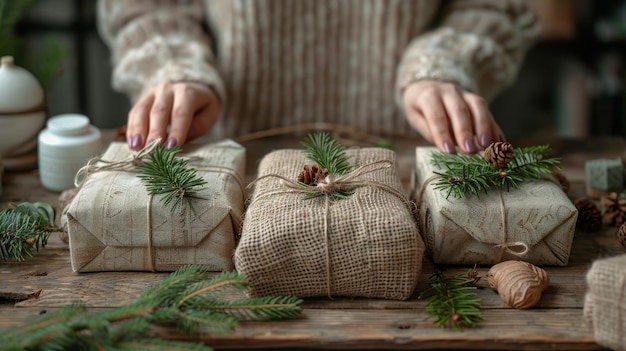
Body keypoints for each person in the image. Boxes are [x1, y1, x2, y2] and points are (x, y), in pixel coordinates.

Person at [97, 0, 541, 154]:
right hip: (227, 167)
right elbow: (145, 8)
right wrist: (175, 66)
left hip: (417, 163)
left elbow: (498, 7)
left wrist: (441, 63)